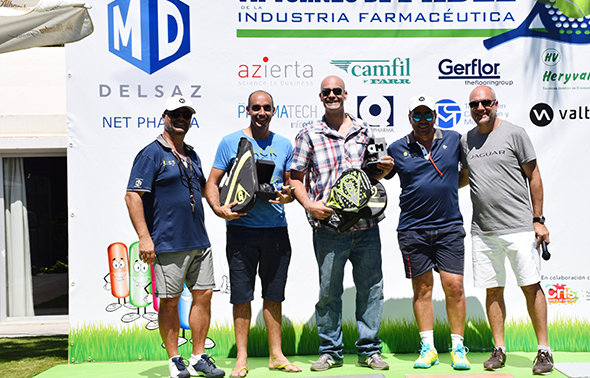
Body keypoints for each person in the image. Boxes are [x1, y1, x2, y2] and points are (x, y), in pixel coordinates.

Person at [289, 75, 394, 372]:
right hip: (329, 227)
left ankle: (369, 350)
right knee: (329, 291)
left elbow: (375, 172)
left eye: (337, 91)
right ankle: (330, 351)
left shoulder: (364, 129)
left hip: (366, 226)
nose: (332, 95)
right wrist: (309, 204)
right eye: (327, 92)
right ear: (320, 97)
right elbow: (295, 177)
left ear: (345, 94)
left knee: (372, 288)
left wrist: (385, 169)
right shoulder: (309, 133)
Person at [125, 97, 225, 378]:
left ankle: (198, 357)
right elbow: (132, 195)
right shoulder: (151, 153)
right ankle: (174, 360)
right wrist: (145, 238)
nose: (181, 118)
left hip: (199, 241)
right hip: (168, 242)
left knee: (203, 296)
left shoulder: (192, 154)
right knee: (169, 301)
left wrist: (222, 208)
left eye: (186, 114)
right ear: (164, 116)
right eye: (175, 114)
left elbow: (206, 190)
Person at [204, 90, 299, 377]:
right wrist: (219, 209)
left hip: (275, 231)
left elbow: (290, 186)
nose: (261, 112)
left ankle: (276, 355)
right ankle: (241, 358)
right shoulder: (230, 142)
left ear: (274, 111)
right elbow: (212, 183)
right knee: (242, 296)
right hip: (241, 231)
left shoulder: (283, 144)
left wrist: (287, 197)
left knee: (273, 295)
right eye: (256, 108)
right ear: (247, 109)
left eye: (266, 108)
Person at [460, 85, 553, 375]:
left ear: (496, 104)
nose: (480, 108)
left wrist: (538, 219)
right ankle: (498, 349)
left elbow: (534, 175)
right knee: (493, 290)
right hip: (483, 231)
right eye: (475, 104)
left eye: (485, 102)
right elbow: (464, 178)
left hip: (518, 227)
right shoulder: (466, 141)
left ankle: (544, 351)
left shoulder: (515, 133)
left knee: (530, 287)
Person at [384, 95, 470, 370]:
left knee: (454, 287)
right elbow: (380, 175)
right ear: (410, 118)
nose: (422, 121)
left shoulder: (454, 140)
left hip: (449, 228)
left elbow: (465, 173)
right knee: (422, 289)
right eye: (416, 116)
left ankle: (458, 347)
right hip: (412, 230)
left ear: (435, 115)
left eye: (427, 115)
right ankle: (428, 348)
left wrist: (443, 187)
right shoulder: (397, 148)